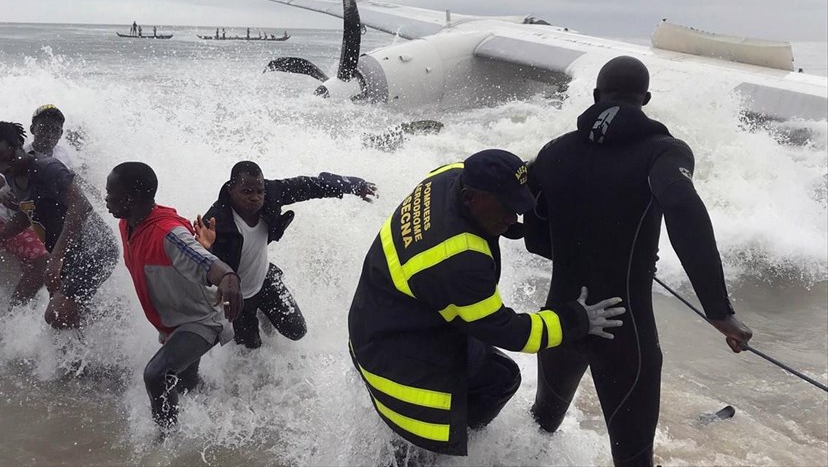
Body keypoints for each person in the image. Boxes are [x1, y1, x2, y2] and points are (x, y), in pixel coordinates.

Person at [524, 56, 754, 467]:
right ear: (645, 99)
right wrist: (719, 311)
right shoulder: (662, 151)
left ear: (596, 96)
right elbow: (682, 206)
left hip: (560, 321)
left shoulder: (554, 151)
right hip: (623, 333)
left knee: (539, 430)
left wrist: (585, 251)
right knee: (633, 460)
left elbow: (535, 236)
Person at [348, 150, 625, 457]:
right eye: (507, 209)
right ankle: (430, 455)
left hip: (380, 315)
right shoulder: (457, 261)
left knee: (498, 375)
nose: (513, 217)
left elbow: (513, 195)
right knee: (497, 381)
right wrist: (577, 319)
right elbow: (511, 332)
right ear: (470, 199)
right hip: (397, 359)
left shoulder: (451, 173)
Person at [105, 162, 242, 433]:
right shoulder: (127, 224)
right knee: (187, 386)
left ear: (129, 199)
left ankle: (167, 445)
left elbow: (206, 261)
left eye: (111, 193)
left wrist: (228, 278)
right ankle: (224, 413)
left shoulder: (168, 233)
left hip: (202, 321)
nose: (106, 198)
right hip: (177, 323)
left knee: (156, 375)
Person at [196, 161, 376, 349]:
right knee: (250, 350)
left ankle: (264, 312)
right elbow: (196, 266)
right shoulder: (215, 221)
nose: (255, 198)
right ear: (231, 189)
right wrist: (206, 248)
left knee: (297, 331)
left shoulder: (271, 194)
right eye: (247, 192)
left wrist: (355, 185)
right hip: (236, 295)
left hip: (265, 279)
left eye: (259, 191)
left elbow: (308, 186)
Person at [0, 122, 118, 329]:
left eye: (7, 158)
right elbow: (26, 215)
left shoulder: (47, 168)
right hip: (69, 253)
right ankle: (92, 349)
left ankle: (111, 333)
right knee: (64, 321)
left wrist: (55, 258)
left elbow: (80, 207)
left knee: (56, 314)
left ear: (20, 143)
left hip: (95, 249)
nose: (4, 167)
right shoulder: (13, 175)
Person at [0, 104, 73, 307]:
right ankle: (13, 317)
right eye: (44, 128)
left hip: (34, 223)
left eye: (55, 130)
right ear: (32, 129)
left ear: (61, 133)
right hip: (7, 222)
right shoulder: (14, 156)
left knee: (63, 264)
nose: (49, 134)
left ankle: (44, 319)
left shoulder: (61, 156)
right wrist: (2, 195)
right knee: (44, 261)